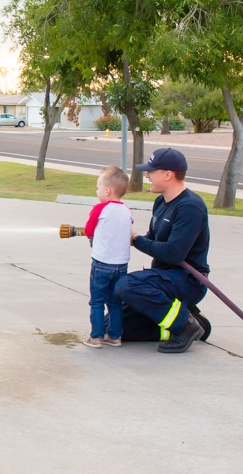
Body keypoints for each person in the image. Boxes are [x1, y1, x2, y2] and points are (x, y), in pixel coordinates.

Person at [116, 147, 210, 353]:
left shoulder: (190, 207)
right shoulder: (161, 202)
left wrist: (137, 240)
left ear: (168, 175)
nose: (147, 175)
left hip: (187, 280)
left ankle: (185, 326)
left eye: (151, 171)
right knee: (113, 327)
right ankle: (186, 318)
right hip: (162, 278)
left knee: (127, 285)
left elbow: (173, 253)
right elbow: (154, 240)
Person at [82, 166, 134, 348]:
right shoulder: (127, 211)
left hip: (101, 264)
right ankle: (115, 336)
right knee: (115, 303)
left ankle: (96, 337)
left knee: (96, 302)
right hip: (121, 265)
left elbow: (88, 230)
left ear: (107, 190)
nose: (97, 191)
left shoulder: (100, 208)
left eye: (98, 187)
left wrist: (93, 236)